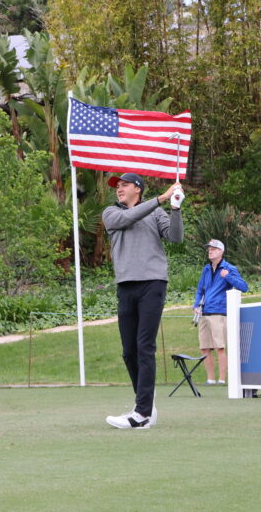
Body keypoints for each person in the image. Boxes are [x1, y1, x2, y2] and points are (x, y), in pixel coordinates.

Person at [102, 172, 184, 430]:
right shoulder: (110, 214)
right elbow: (129, 217)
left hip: (152, 283)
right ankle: (145, 402)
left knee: (144, 346)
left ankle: (142, 413)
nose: (119, 189)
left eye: (124, 185)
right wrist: (161, 198)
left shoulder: (157, 212)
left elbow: (175, 237)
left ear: (137, 189)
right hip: (126, 285)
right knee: (129, 351)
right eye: (118, 186)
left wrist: (175, 208)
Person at [193, 239, 248, 385]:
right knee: (204, 348)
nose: (210, 251)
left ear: (221, 252)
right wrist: (196, 304)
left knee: (220, 347)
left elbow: (244, 287)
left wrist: (227, 276)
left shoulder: (229, 268)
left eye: (214, 249)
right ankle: (210, 379)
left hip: (219, 313)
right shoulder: (206, 269)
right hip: (204, 313)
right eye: (209, 249)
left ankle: (222, 380)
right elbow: (200, 290)